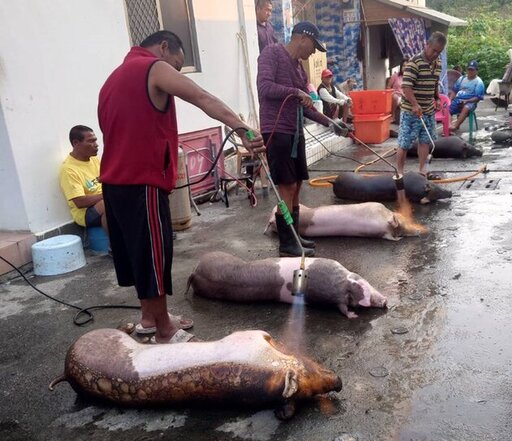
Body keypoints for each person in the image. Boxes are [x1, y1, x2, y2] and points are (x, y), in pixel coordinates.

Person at [98, 30, 265, 343]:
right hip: (141, 183)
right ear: (163, 48)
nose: (174, 72)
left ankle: (150, 317)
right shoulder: (153, 67)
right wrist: (241, 127)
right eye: (176, 64)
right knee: (154, 255)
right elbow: (202, 97)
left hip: (113, 183)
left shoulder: (113, 78)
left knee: (140, 256)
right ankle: (164, 330)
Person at [257, 21, 348, 257]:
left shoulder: (299, 69)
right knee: (286, 185)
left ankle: (294, 236)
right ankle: (287, 243)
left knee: (296, 184)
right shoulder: (272, 54)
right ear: (302, 38)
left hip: (295, 131)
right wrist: (295, 92)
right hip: (277, 130)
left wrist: (331, 123)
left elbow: (305, 106)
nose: (313, 52)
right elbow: (265, 87)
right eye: (313, 47)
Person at [395, 32, 447, 177]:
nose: (435, 54)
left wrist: (436, 98)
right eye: (434, 50)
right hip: (411, 111)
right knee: (404, 143)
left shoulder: (438, 63)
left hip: (428, 110)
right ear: (427, 45)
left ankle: (423, 170)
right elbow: (406, 87)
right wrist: (415, 104)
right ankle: (399, 172)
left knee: (425, 141)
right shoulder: (414, 62)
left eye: (439, 52)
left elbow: (435, 82)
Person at [59, 125, 107, 234]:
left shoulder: (94, 159)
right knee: (109, 204)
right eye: (91, 141)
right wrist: (107, 194)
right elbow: (80, 202)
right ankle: (114, 247)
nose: (96, 145)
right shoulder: (68, 169)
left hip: (102, 202)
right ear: (76, 143)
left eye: (96, 141)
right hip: (85, 213)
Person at [449, 60, 485, 133]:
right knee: (447, 108)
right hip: (458, 99)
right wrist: (449, 100)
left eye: (472, 70)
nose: (470, 71)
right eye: (469, 69)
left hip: (471, 101)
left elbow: (477, 98)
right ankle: (449, 127)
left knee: (466, 107)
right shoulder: (461, 78)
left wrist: (467, 101)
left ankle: (455, 126)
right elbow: (454, 90)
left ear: (476, 71)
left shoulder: (479, 82)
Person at [387, 60, 407, 124]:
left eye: (407, 66)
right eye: (404, 66)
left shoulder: (410, 78)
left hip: (404, 97)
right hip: (395, 95)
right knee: (395, 97)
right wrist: (392, 93)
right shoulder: (395, 75)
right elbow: (388, 87)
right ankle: (392, 116)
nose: (405, 68)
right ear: (401, 67)